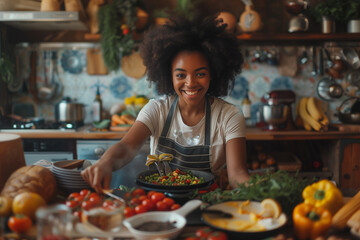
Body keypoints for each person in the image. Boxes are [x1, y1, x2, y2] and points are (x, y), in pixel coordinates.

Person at [81, 14, 250, 193]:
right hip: (160, 203)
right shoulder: (157, 109)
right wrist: (105, 163)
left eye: (200, 74)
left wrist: (259, 190)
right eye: (180, 75)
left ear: (213, 74)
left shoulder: (229, 116)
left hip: (207, 204)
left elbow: (237, 173)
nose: (190, 83)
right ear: (168, 76)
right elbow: (126, 147)